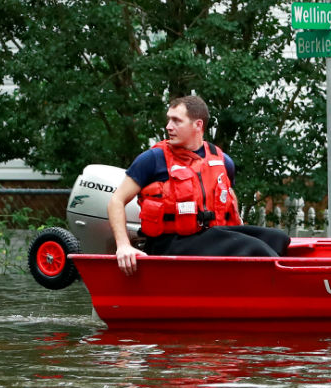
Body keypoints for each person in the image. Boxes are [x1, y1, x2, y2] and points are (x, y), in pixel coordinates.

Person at [108, 95, 290, 275]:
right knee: (254, 247)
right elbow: (116, 201)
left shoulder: (222, 161)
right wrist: (123, 245)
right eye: (169, 120)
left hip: (210, 237)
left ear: (198, 125)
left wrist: (238, 227)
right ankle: (282, 287)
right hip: (170, 243)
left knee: (278, 238)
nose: (168, 127)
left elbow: (229, 196)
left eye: (176, 121)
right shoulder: (153, 159)